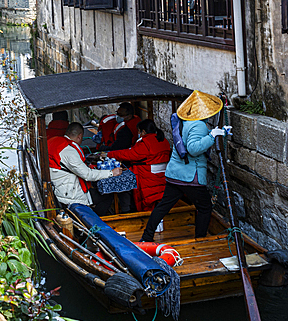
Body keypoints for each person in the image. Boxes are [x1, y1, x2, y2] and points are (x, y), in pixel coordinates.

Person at [140, 90, 226, 242]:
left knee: (163, 207)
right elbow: (193, 149)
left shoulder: (183, 122)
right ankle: (200, 240)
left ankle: (146, 237)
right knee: (205, 208)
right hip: (190, 176)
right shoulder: (199, 126)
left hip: (175, 175)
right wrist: (212, 136)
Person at [48, 123, 121, 207]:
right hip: (69, 193)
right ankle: (95, 218)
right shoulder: (69, 150)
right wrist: (111, 173)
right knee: (107, 196)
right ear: (79, 136)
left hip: (57, 186)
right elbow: (87, 175)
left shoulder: (54, 141)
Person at [108, 119, 172, 213]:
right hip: (162, 177)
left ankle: (127, 212)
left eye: (139, 131)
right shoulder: (163, 140)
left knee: (126, 187)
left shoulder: (145, 143)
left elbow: (129, 154)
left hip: (147, 178)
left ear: (143, 131)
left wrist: (109, 154)